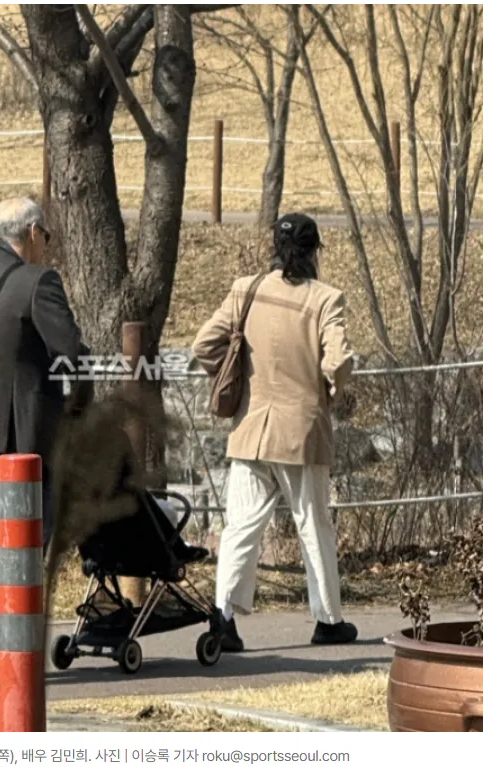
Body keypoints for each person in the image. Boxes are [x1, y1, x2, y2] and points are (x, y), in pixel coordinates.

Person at [192, 212, 358, 653]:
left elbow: (203, 344)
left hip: (250, 428)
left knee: (241, 527)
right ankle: (328, 620)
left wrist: (235, 377)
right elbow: (339, 360)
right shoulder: (326, 299)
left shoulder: (246, 290)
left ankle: (223, 618)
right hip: (302, 431)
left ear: (275, 247)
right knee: (313, 525)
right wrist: (333, 390)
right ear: (315, 250)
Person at [0, 197, 87, 685]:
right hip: (20, 435)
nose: (46, 244)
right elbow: (68, 351)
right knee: (27, 537)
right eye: (45, 235)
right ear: (31, 233)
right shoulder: (39, 282)